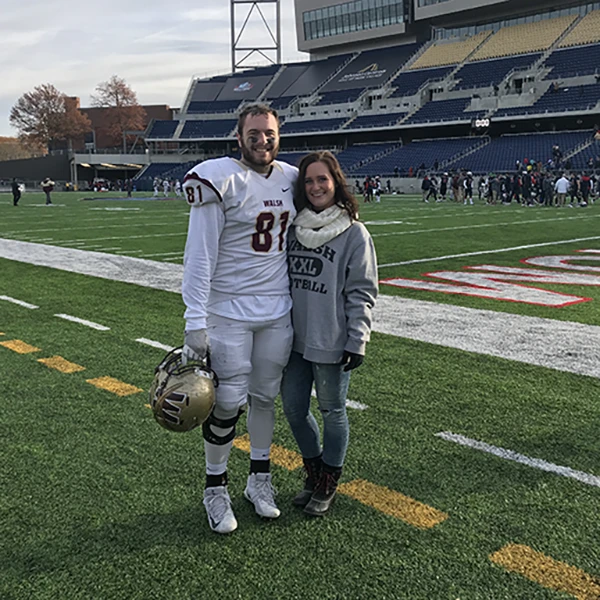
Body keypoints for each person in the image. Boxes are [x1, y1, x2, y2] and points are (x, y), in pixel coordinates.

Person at [181, 104, 297, 534]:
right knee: (228, 401)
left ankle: (259, 481)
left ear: (278, 135)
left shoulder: (290, 176)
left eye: (269, 133)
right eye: (254, 134)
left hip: (277, 308)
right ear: (239, 137)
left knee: (266, 397)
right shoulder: (219, 177)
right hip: (227, 308)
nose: (262, 140)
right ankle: (215, 489)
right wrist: (195, 318)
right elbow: (199, 255)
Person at [281, 151, 378, 517]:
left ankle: (328, 481)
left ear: (336, 182)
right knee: (293, 408)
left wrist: (358, 338)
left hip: (331, 337)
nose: (316, 186)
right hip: (292, 339)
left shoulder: (354, 232)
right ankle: (314, 469)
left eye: (323, 179)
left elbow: (362, 291)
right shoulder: (294, 228)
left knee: (332, 410)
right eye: (309, 181)